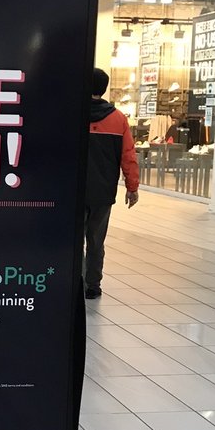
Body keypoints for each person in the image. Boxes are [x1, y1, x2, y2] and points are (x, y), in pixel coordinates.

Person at [84, 67, 139, 299]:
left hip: (74, 192)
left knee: (72, 241)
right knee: (96, 241)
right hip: (103, 192)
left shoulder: (72, 114)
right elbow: (128, 156)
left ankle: (71, 282)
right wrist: (132, 187)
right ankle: (92, 285)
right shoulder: (118, 119)